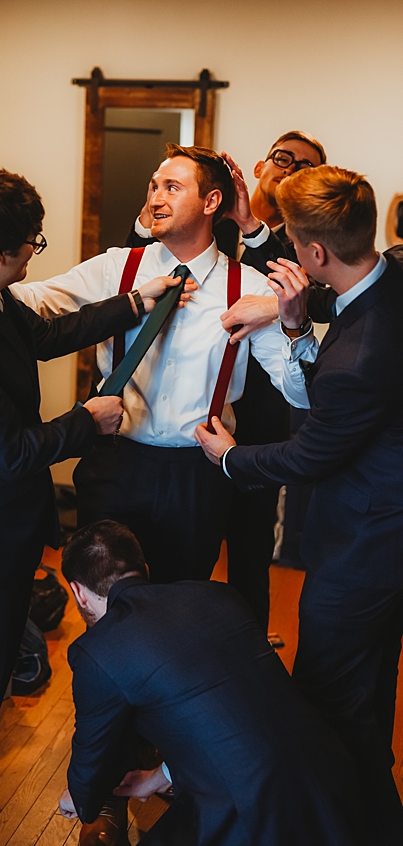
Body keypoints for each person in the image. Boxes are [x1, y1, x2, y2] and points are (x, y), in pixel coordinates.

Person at [0, 167, 199, 846]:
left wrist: (135, 301)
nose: (36, 250)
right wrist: (86, 420)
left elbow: (38, 337)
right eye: (31, 239)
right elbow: (7, 451)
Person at [196, 165, 403, 838]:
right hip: (384, 529)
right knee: (365, 701)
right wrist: (289, 318)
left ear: (315, 254)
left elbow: (310, 454)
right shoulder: (392, 273)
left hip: (365, 547)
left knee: (326, 696)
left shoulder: (361, 354)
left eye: (290, 240)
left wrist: (229, 457)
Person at [9, 145, 314, 586]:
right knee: (103, 600)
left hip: (196, 477)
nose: (156, 197)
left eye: (172, 187)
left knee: (180, 603)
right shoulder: (118, 267)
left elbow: (300, 392)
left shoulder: (248, 285)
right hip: (115, 463)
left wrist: (294, 324)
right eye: (154, 186)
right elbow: (34, 302)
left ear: (211, 202)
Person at [123, 134, 327, 636]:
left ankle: (247, 642)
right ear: (259, 166)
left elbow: (293, 291)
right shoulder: (194, 216)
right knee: (177, 554)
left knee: (252, 542)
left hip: (260, 415)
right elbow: (141, 264)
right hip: (190, 421)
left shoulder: (293, 236)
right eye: (284, 158)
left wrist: (251, 226)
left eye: (306, 166)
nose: (291, 169)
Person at [57, 520, 361, 846]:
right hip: (337, 777)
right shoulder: (218, 593)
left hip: (256, 817)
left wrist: (79, 796)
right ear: (143, 568)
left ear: (78, 591)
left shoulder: (98, 649)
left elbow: (93, 750)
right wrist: (161, 777)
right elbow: (235, 715)